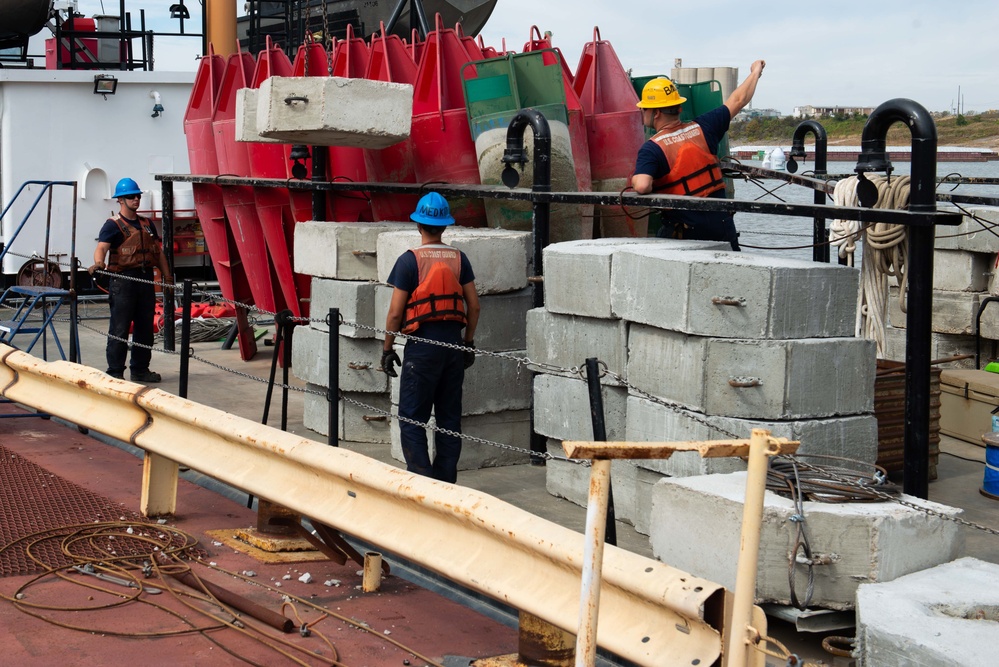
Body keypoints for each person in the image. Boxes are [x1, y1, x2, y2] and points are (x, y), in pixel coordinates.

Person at [381, 192, 480, 483]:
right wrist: (468, 342)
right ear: (445, 226)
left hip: (422, 347)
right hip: (452, 344)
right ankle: (446, 484)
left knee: (412, 419)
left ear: (418, 225)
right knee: (449, 421)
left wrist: (387, 349)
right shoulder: (459, 259)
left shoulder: (409, 261)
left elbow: (395, 314)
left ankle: (422, 484)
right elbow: (473, 305)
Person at [631, 60, 766, 251]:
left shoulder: (652, 149)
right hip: (722, 228)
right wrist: (755, 73)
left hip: (686, 235)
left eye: (644, 108)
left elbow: (643, 185)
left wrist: (637, 180)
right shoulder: (704, 127)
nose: (641, 111)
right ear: (678, 108)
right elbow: (738, 100)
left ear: (656, 113)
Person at [90, 177, 172, 382]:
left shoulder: (147, 224)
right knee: (120, 327)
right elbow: (101, 248)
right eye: (131, 196)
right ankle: (115, 372)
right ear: (120, 200)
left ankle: (140, 370)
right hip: (123, 281)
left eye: (138, 196)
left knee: (145, 328)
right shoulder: (112, 225)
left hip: (145, 280)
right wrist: (99, 263)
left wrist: (168, 278)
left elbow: (158, 252)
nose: (136, 199)